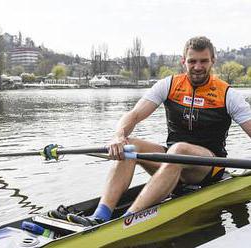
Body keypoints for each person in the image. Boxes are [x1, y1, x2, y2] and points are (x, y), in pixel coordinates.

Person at [65, 36, 251, 226]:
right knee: (129, 146)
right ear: (183, 61)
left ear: (213, 60)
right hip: (171, 160)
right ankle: (100, 215)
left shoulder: (227, 94)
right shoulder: (169, 85)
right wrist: (118, 136)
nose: (197, 66)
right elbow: (134, 114)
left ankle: (126, 221)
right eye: (192, 61)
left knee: (179, 150)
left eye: (203, 61)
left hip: (207, 166)